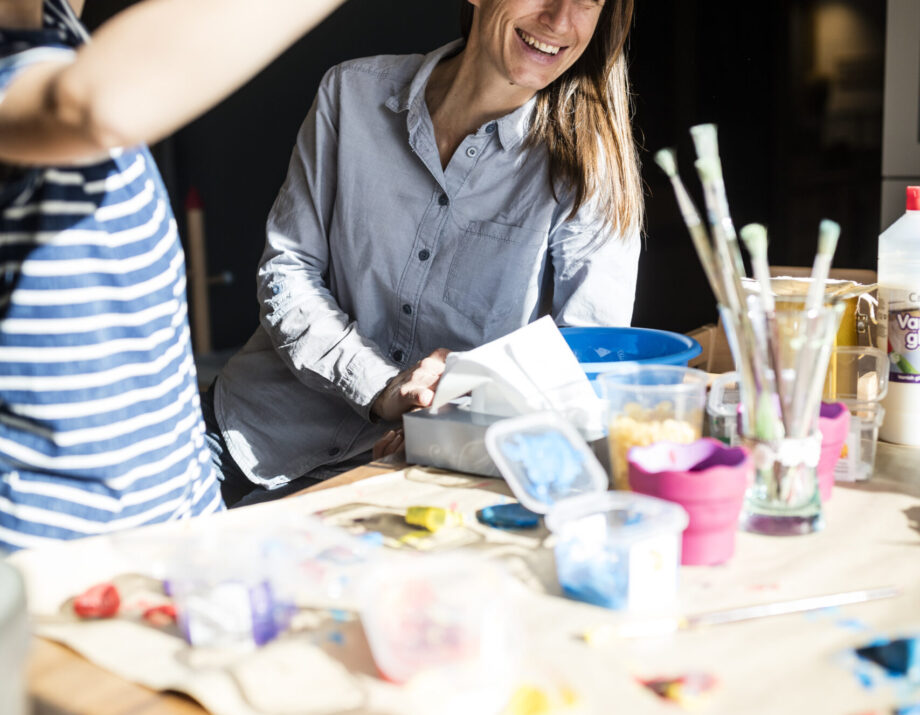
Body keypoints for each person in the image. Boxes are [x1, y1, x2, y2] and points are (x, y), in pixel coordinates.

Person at [205, 0, 644, 506]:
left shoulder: (592, 169)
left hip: (414, 477)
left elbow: (583, 371)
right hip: (250, 430)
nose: (560, 19)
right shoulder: (351, 94)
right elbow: (288, 271)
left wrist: (454, 433)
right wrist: (381, 387)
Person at [0, 0, 348, 551]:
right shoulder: (65, 85)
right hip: (49, 554)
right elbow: (89, 106)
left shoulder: (64, 41)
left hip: (172, 530)